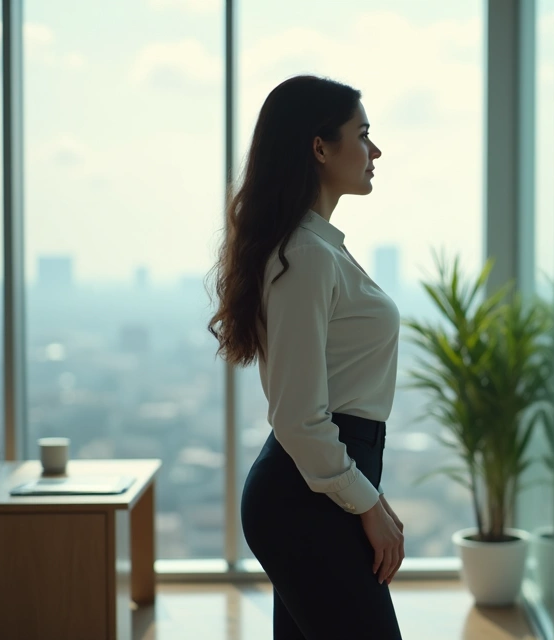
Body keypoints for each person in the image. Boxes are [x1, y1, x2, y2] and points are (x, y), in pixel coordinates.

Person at [207, 75, 405, 640]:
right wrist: (366, 502)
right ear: (320, 147)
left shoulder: (317, 249)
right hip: (305, 500)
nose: (375, 151)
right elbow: (297, 416)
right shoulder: (306, 256)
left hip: (319, 485)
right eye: (363, 135)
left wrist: (368, 493)